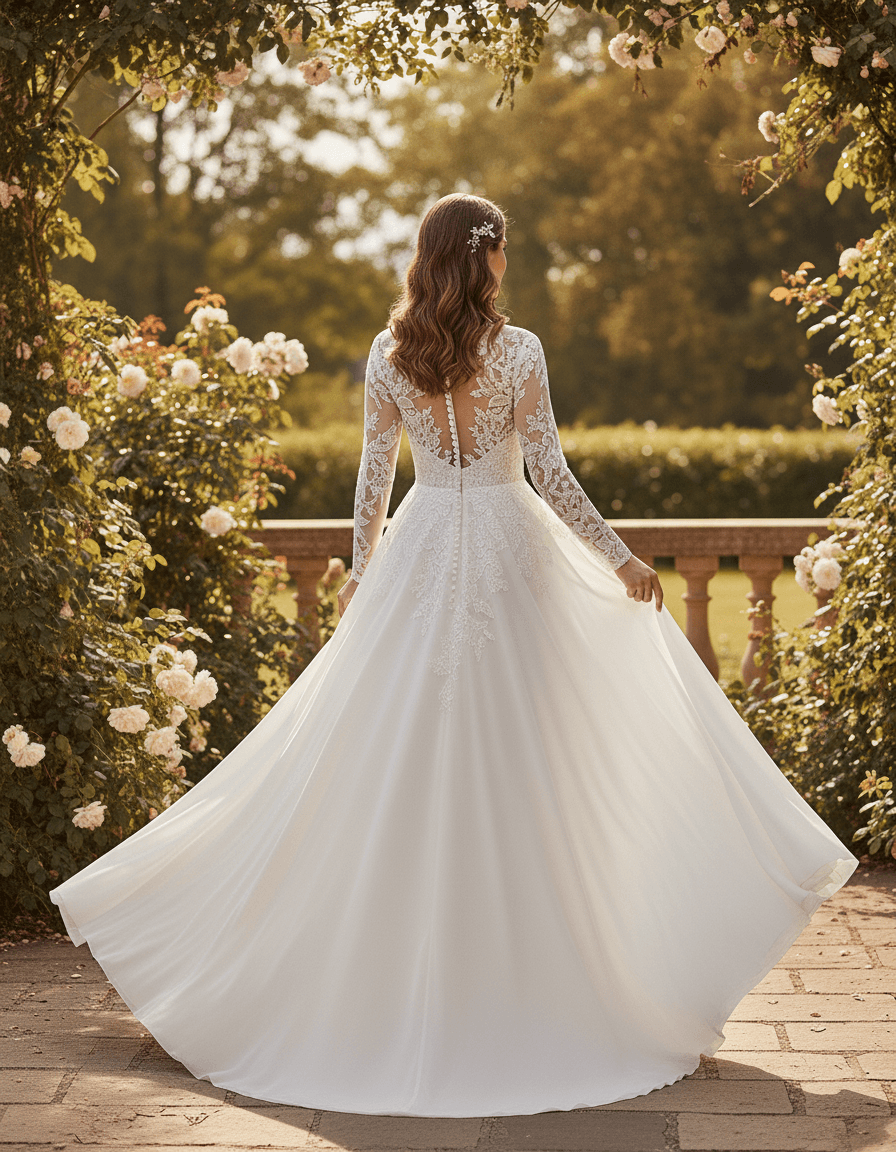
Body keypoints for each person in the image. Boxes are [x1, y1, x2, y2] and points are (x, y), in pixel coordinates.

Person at [50, 192, 858, 1119]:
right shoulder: (521, 350)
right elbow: (549, 471)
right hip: (513, 553)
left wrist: (362, 572)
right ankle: (534, 972)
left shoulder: (391, 351)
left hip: (422, 549)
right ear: (486, 256)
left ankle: (407, 965)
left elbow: (372, 476)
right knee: (528, 756)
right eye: (503, 248)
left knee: (398, 753)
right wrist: (622, 558)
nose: (508, 261)